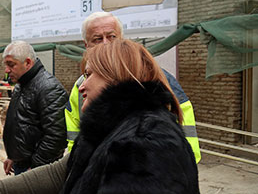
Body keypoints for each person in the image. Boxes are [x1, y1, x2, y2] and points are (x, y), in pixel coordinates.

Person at [0, 39, 222, 194]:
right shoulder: (110, 126)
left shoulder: (145, 141)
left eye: (89, 75)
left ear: (115, 75)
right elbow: (62, 171)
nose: (81, 86)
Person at [65, 12, 201, 164]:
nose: (105, 44)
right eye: (97, 39)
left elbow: (187, 147)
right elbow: (74, 139)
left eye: (112, 37)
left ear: (122, 40)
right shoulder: (79, 87)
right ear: (86, 45)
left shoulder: (160, 81)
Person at [1, 41, 68, 194]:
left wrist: (36, 168)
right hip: (25, 166)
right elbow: (20, 125)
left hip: (39, 171)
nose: (6, 70)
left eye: (11, 65)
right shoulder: (23, 84)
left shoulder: (48, 88)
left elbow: (56, 136)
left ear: (27, 62)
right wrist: (14, 155)